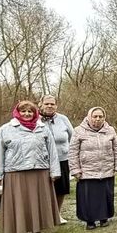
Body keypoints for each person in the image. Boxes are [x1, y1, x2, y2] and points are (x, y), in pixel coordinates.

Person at [0, 101, 61, 233]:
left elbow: (52, 151)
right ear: (17, 112)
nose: (27, 114)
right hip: (16, 173)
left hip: (40, 171)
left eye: (30, 111)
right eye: (23, 111)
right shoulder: (6, 129)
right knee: (18, 205)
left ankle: (37, 232)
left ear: (35, 113)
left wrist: (54, 171)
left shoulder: (43, 129)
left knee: (37, 203)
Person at [69, 107, 117, 229]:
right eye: (95, 116)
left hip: (106, 170)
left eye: (100, 116)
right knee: (89, 198)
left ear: (104, 117)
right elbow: (73, 152)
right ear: (89, 117)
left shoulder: (110, 130)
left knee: (105, 196)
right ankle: (90, 221)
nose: (98, 119)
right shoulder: (78, 131)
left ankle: (104, 218)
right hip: (87, 171)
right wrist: (75, 170)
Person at [40, 95, 74, 225]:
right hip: (44, 162)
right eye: (47, 103)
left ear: (56, 106)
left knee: (61, 189)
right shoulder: (36, 120)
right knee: (45, 190)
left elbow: (73, 137)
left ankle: (57, 214)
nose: (49, 106)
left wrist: (71, 152)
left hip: (62, 159)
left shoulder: (63, 119)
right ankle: (45, 216)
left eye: (52, 104)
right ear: (41, 104)